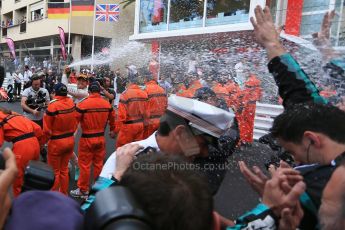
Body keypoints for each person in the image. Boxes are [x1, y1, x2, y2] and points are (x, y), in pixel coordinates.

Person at [101, 95, 239, 195]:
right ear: (181, 133)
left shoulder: (195, 161)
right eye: (203, 144)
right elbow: (96, 214)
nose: (205, 152)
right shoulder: (126, 160)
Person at [70, 81, 115, 198]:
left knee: (84, 165)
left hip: (87, 139)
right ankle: (97, 188)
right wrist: (113, 130)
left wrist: (71, 134)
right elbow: (113, 118)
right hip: (101, 138)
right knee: (98, 164)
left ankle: (83, 190)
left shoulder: (83, 104)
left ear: (89, 91)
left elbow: (74, 121)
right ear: (99, 91)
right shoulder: (107, 104)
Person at [42, 83, 78, 195]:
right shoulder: (71, 102)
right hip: (70, 140)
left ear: (55, 92)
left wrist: (45, 141)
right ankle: (64, 194)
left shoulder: (53, 106)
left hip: (56, 142)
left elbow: (47, 130)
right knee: (64, 170)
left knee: (55, 172)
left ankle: (54, 196)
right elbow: (75, 122)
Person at [0, 108, 42, 196]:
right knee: (32, 175)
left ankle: (20, 205)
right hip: (35, 144)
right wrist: (39, 145)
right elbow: (38, 129)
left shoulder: (1, 119)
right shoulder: (17, 116)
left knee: (18, 179)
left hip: (22, 148)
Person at [114, 73, 149, 148]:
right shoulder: (144, 94)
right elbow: (146, 113)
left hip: (128, 127)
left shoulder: (125, 94)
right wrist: (145, 124)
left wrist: (115, 130)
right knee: (136, 149)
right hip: (140, 126)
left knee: (123, 149)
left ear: (129, 83)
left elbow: (121, 116)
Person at [142, 69, 167, 139]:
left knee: (148, 143)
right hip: (161, 120)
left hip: (150, 122)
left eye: (143, 78)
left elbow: (142, 107)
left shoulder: (145, 89)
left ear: (146, 79)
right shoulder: (162, 89)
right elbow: (166, 105)